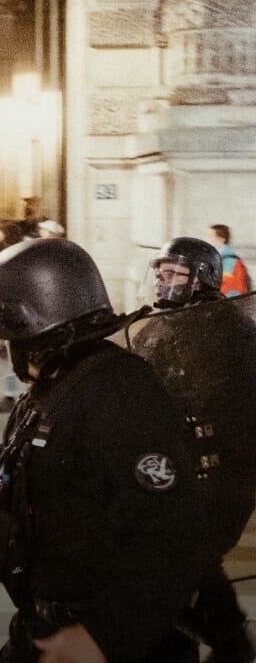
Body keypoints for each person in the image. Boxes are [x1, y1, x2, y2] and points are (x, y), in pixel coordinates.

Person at [0, 237, 203, 662]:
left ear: (34, 322)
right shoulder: (58, 380)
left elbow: (171, 532)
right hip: (47, 629)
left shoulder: (117, 389)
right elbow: (66, 457)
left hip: (108, 641)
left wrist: (102, 637)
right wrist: (5, 464)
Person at [137, 237, 256, 662]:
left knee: (182, 562)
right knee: (186, 568)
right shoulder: (158, 325)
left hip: (219, 476)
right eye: (160, 272)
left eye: (174, 274)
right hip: (171, 473)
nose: (162, 281)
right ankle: (224, 642)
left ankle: (224, 642)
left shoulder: (231, 331)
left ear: (202, 278)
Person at [208, 224, 250, 298]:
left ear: (221, 239)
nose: (207, 240)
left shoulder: (230, 262)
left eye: (210, 236)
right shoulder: (215, 259)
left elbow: (234, 291)